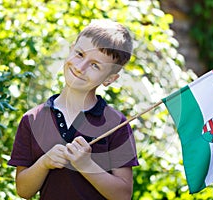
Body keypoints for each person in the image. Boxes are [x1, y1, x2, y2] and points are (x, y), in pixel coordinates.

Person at [8, 19, 139, 200]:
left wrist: (86, 165)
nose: (80, 67)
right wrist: (44, 163)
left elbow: (123, 195)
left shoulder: (116, 124)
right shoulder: (33, 119)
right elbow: (23, 190)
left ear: (110, 78)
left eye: (95, 65)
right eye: (79, 54)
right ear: (71, 49)